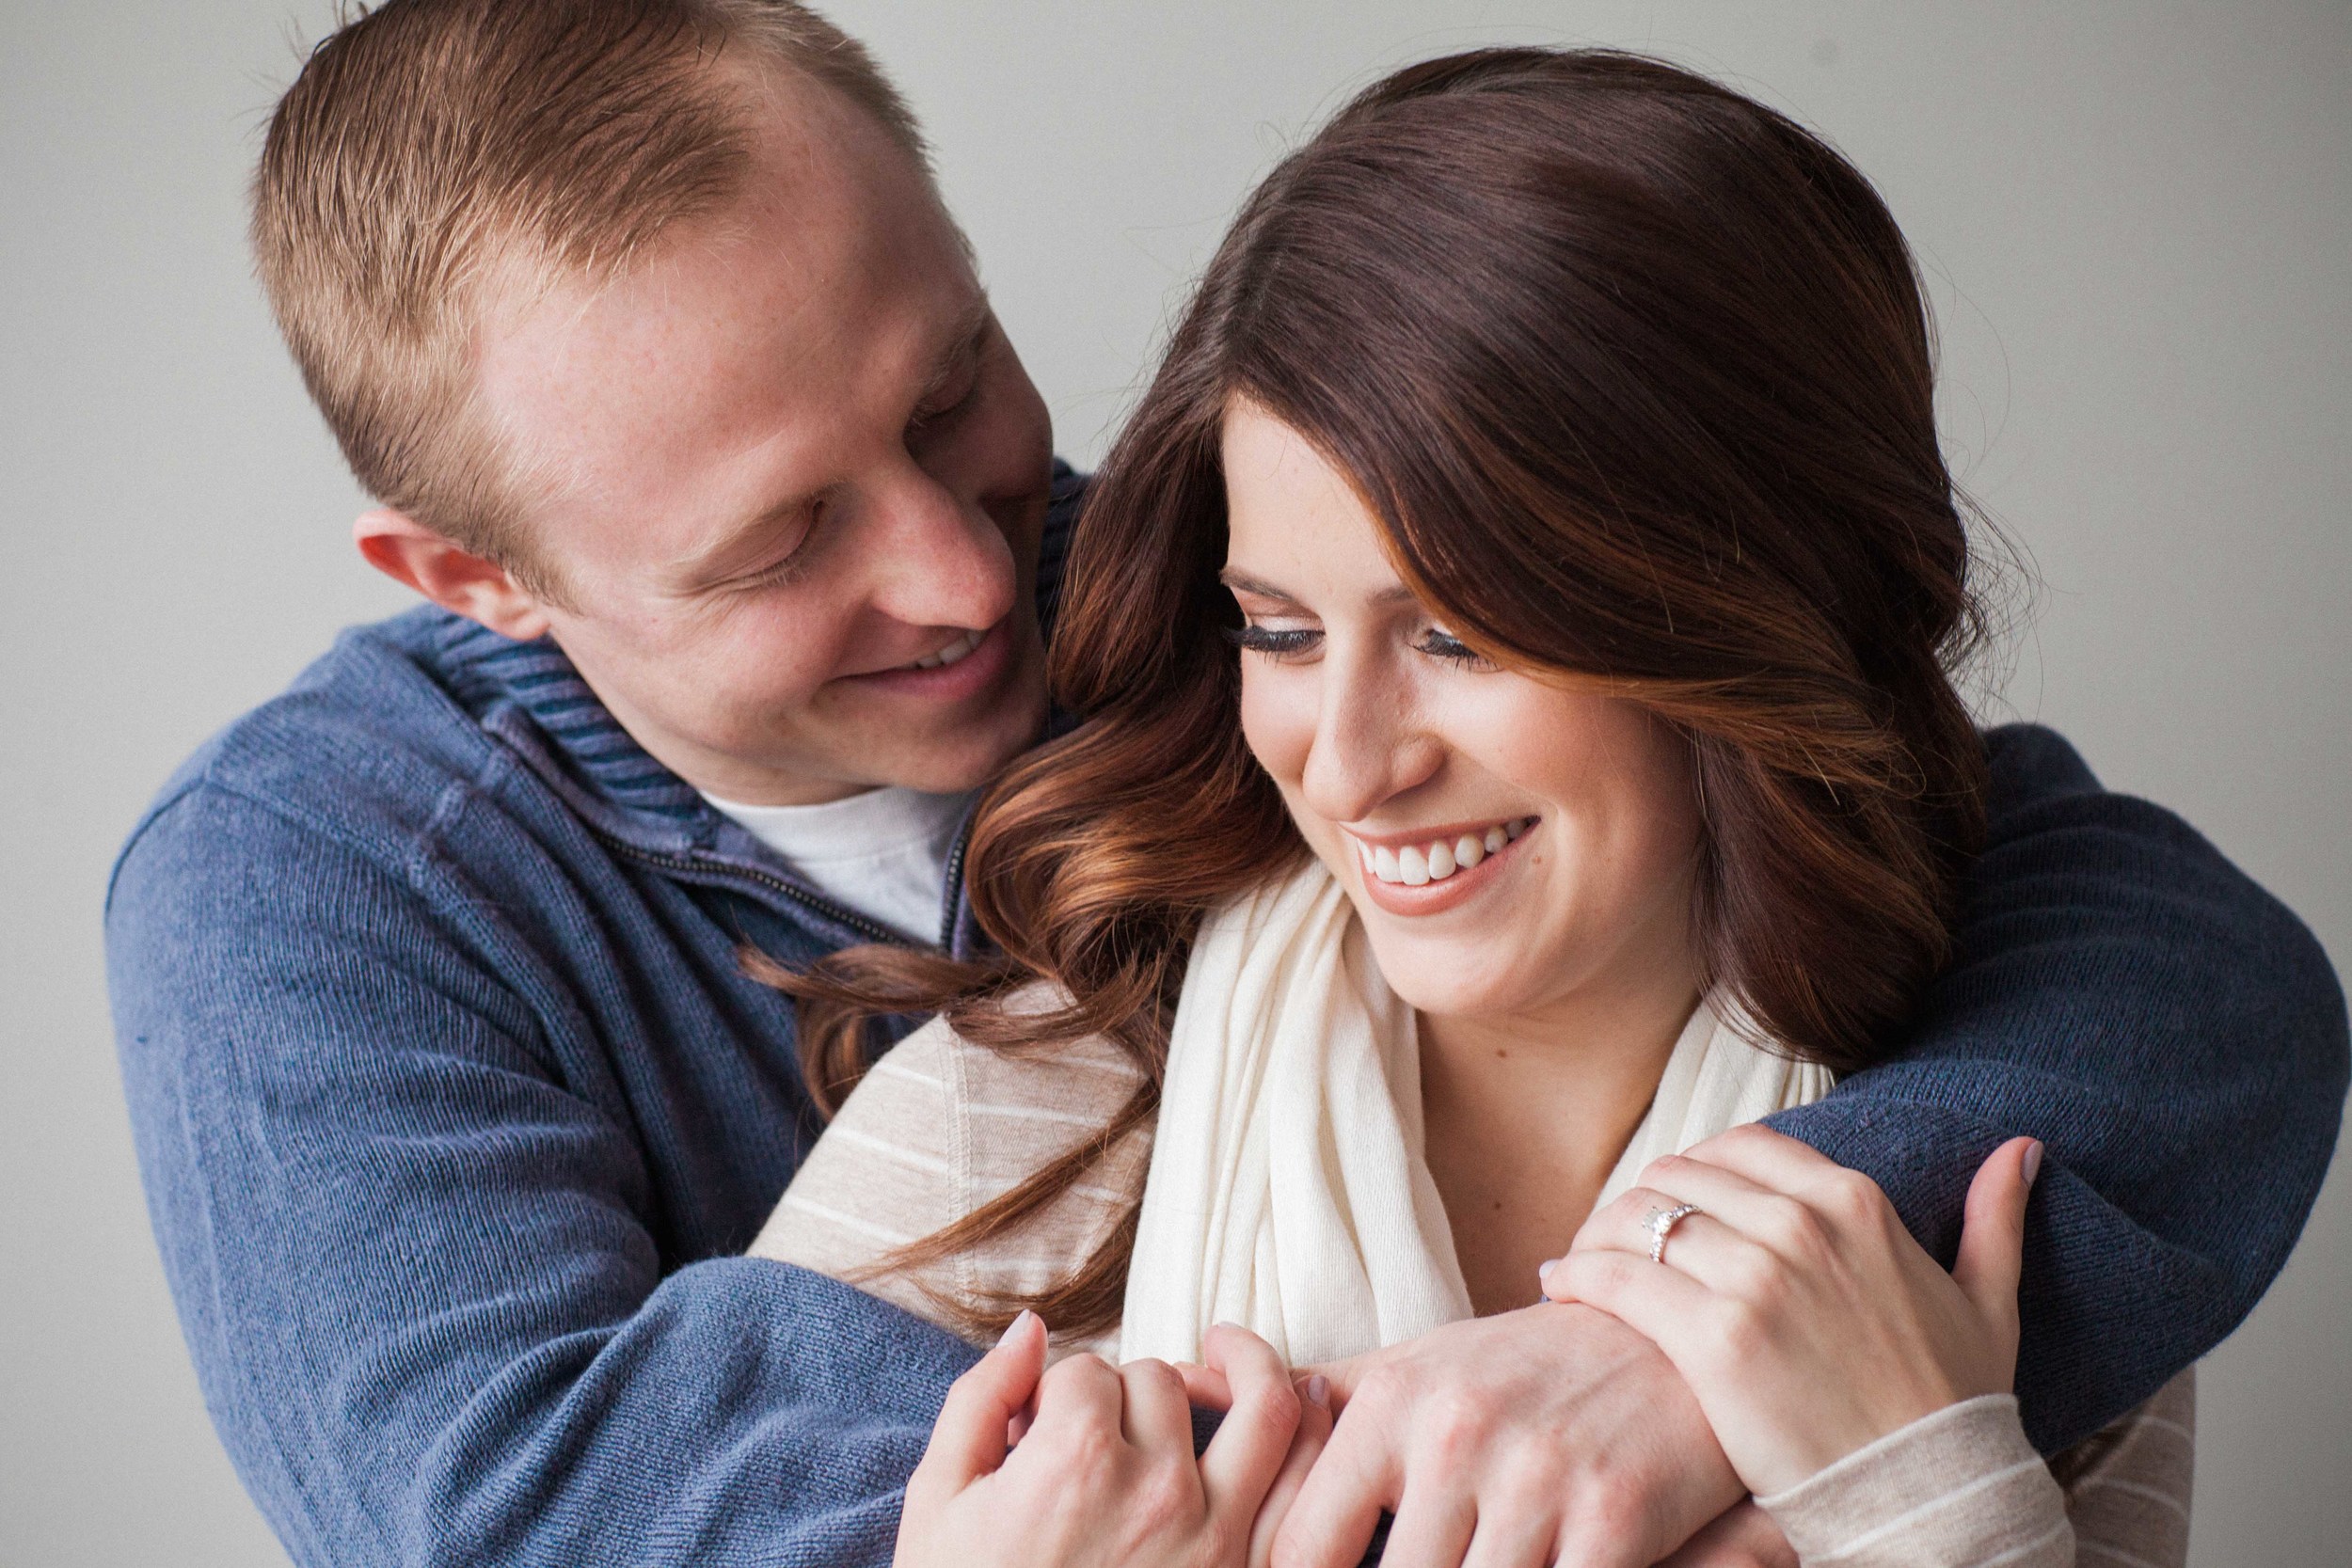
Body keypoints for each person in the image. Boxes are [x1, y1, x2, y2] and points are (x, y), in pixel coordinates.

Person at [101, 5, 2344, 1567]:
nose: (971, 564)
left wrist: (1677, 1360)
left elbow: (2159, 961)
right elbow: (514, 1510)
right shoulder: (303, 890)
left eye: (954, 389)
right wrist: (1454, 1483)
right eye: (783, 538)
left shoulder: (1231, 564)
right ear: (472, 580)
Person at [753, 49, 2218, 1568]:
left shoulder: (1999, 1206)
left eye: (1460, 635)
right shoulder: (1014, 1128)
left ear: (1751, 612)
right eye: (1281, 631)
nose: (1349, 760)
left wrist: (1935, 1512)